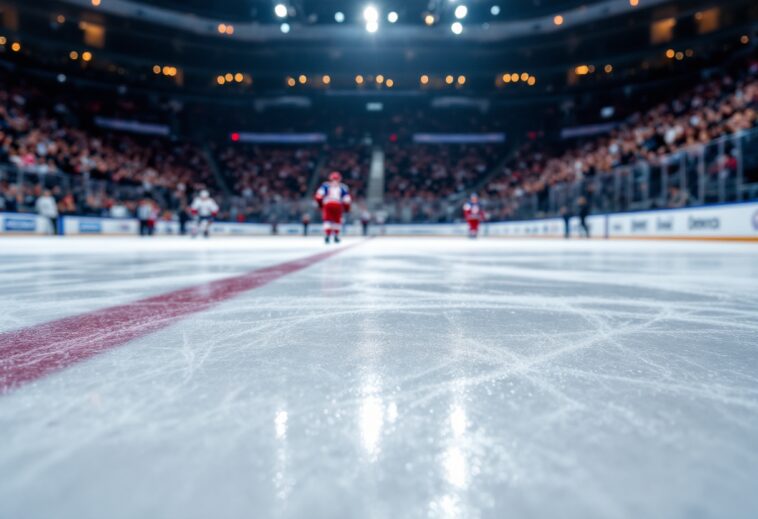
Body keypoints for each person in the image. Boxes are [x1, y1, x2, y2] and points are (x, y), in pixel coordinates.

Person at [314, 171, 351, 244]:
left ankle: (328, 234)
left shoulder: (325, 185)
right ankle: (336, 235)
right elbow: (347, 199)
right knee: (337, 220)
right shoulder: (343, 187)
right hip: (337, 204)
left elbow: (318, 196)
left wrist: (320, 205)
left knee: (327, 220)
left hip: (328, 203)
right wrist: (347, 208)